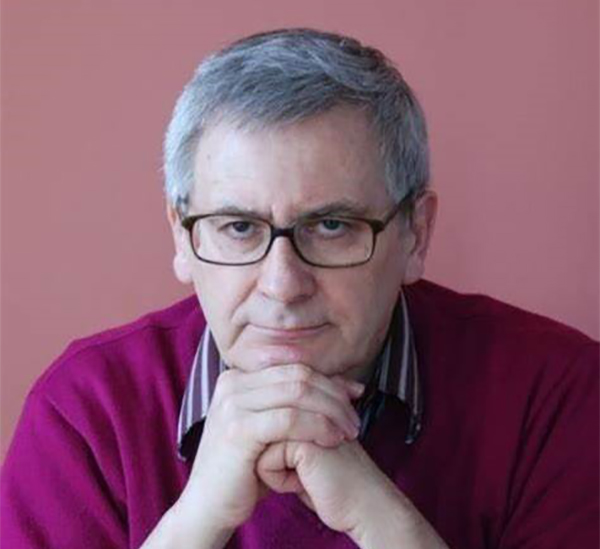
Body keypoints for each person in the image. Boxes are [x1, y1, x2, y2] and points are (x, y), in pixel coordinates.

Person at [1, 28, 598, 549]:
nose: (283, 285)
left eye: (331, 226)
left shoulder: (555, 394)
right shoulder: (86, 411)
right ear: (182, 237)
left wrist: (378, 517)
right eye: (239, 228)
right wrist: (196, 521)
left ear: (415, 234)